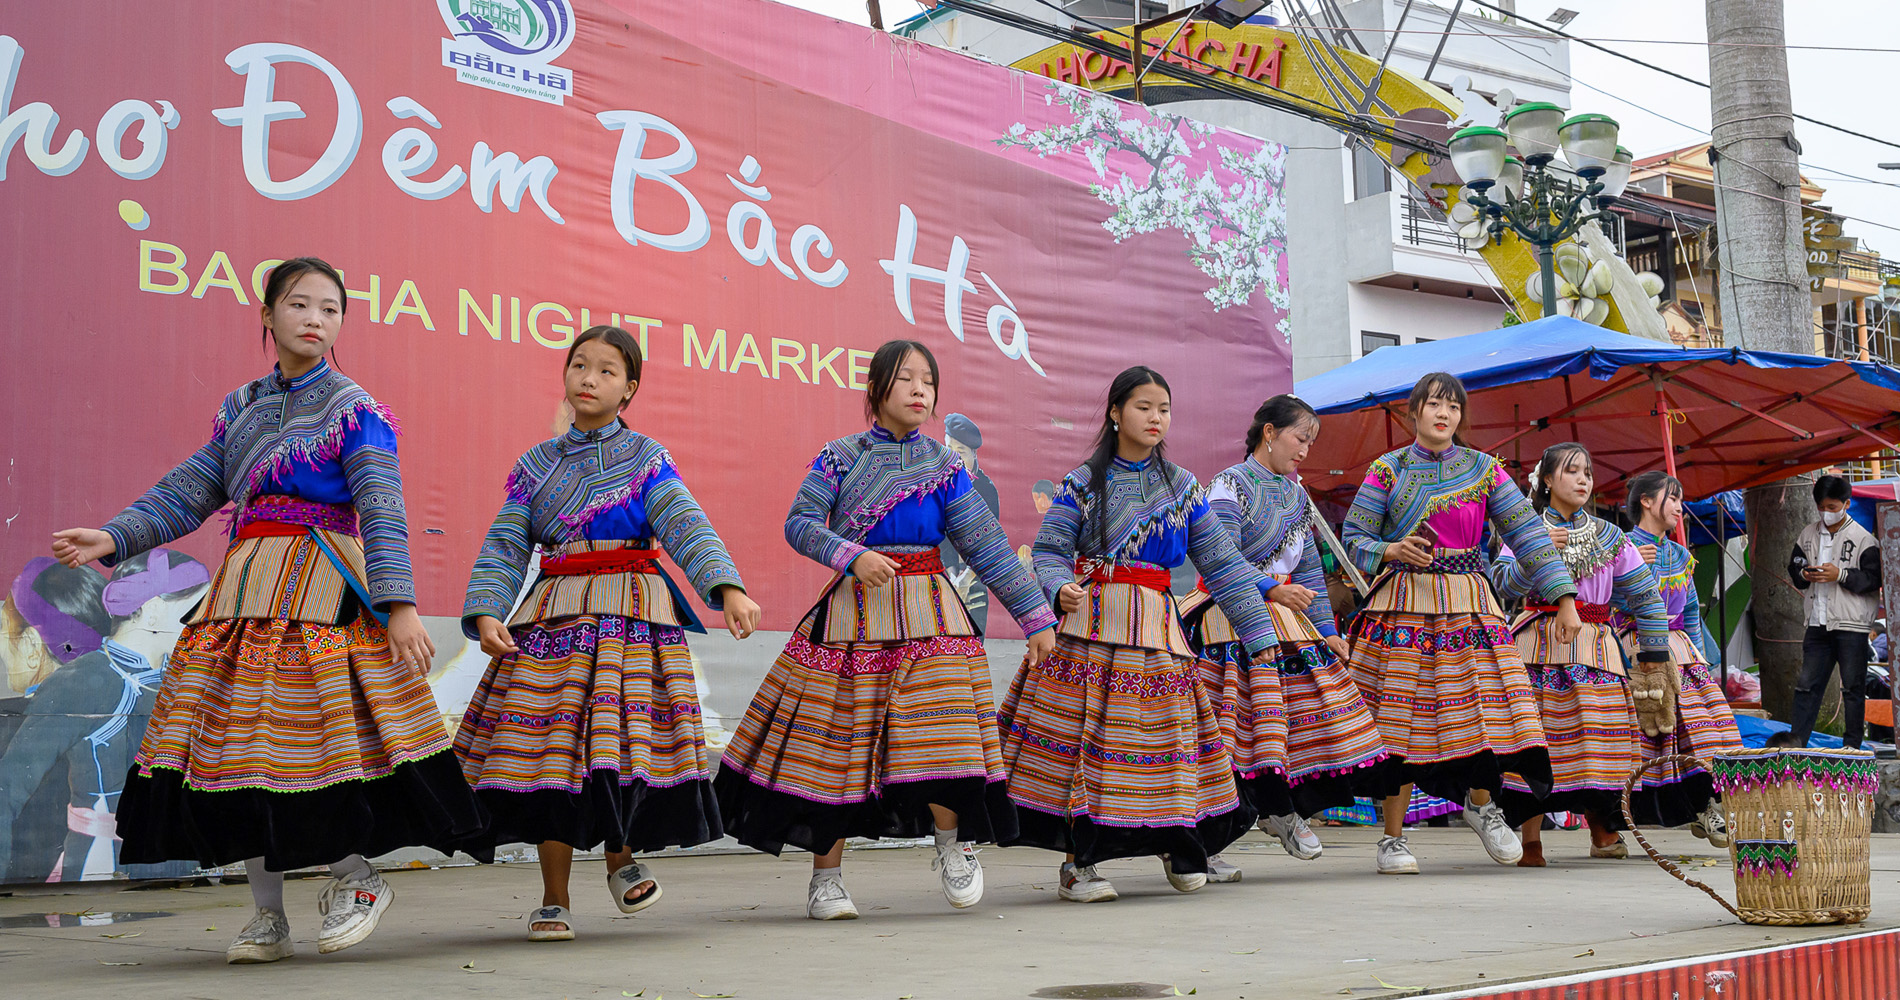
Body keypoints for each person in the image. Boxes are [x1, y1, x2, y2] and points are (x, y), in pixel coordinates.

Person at [49, 257, 487, 963]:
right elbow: (190, 490)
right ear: (267, 314)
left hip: (319, 586)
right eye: (300, 305)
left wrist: (399, 605)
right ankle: (267, 917)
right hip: (245, 587)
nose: (316, 319)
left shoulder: (355, 408)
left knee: (304, 740)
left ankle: (356, 878)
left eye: (331, 309)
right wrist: (114, 535)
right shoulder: (242, 407)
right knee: (238, 745)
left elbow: (381, 509)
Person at [715, 340, 1058, 920]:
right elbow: (799, 524)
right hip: (854, 614)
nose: (920, 390)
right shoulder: (840, 456)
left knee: (945, 730)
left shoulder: (946, 467)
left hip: (934, 614)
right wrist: (850, 555)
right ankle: (827, 879)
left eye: (928, 380)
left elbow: (987, 546)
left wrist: (1036, 620)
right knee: (837, 745)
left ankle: (953, 845)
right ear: (875, 390)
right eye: (906, 379)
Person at [455, 326, 762, 942]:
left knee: (616, 744)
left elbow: (684, 524)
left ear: (631, 388)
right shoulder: (535, 465)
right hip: (554, 614)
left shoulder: (647, 457)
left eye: (606, 370)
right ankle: (553, 898)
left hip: (630, 613)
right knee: (551, 754)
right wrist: (487, 608)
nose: (589, 378)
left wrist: (726, 587)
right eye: (579, 366)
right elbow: (507, 542)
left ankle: (620, 860)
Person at [998, 366, 1276, 902]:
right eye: (1144, 406)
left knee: (1166, 743)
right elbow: (1052, 550)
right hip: (1093, 628)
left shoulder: (1184, 487)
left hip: (1157, 627)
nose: (1155, 418)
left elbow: (1223, 564)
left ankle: (1179, 847)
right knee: (1089, 747)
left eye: (1164, 409)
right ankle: (1079, 865)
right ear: (1115, 412)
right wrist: (1058, 589)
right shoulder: (1084, 482)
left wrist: (1260, 637)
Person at [1342, 372, 1580, 875]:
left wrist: (1564, 598)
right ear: (1413, 414)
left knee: (1481, 713)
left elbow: (1530, 537)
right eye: (1432, 404)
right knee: (1398, 721)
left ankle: (1481, 804)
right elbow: (1354, 537)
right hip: (1403, 602)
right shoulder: (1386, 469)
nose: (1443, 413)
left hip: (1471, 600)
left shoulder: (1485, 470)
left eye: (1452, 405)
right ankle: (1392, 839)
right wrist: (1390, 548)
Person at [1179, 394, 1391, 877]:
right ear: (1269, 433)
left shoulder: (1298, 497)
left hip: (1288, 626)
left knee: (1300, 726)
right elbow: (1220, 558)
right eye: (1300, 438)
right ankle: (1206, 845)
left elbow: (1312, 574)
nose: (1305, 452)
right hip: (1228, 619)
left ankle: (1283, 810)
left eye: (1311, 443)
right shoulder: (1229, 486)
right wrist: (1269, 588)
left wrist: (1327, 632)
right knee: (1228, 738)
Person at [1491, 444, 1671, 865]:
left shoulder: (1610, 535)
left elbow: (1645, 595)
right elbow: (1501, 584)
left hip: (1596, 646)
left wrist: (1655, 657)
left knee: (1599, 740)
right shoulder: (1525, 528)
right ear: (1547, 481)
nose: (1583, 480)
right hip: (1538, 641)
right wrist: (1532, 555)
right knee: (1540, 741)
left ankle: (1603, 831)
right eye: (1571, 471)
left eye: (1587, 472)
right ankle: (1531, 840)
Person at [0, 552, 210, 884]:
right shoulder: (80, 681)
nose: (207, 622)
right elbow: (7, 787)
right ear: (154, 612)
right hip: (102, 872)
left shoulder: (187, 678)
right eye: (196, 610)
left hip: (179, 867)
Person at [1625, 471, 1743, 844]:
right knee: (1656, 736)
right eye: (1672, 498)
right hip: (1639, 649)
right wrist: (1628, 570)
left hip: (1683, 655)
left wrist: (1702, 660)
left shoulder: (1679, 554)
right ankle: (1694, 807)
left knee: (1709, 728)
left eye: (1679, 499)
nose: (1679, 506)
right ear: (1646, 501)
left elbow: (1690, 612)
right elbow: (1603, 603)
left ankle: (1709, 805)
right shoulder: (1620, 547)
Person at [1788, 475, 1881, 749]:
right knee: (1806, 686)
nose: (1825, 512)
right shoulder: (1807, 534)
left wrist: (1840, 574)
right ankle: (1796, 744)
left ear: (1846, 504)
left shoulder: (1864, 540)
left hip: (1851, 625)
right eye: (1821, 507)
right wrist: (1804, 573)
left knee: (1853, 688)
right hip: (1817, 622)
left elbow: (1872, 580)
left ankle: (1852, 746)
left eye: (1831, 506)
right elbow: (1794, 566)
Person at [940, 413, 999, 632]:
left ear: (974, 453)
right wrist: (952, 576)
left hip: (973, 579)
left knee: (971, 646)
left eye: (961, 451)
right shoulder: (942, 483)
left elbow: (989, 545)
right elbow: (942, 538)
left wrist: (965, 580)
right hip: (946, 575)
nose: (953, 457)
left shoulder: (986, 490)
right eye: (948, 448)